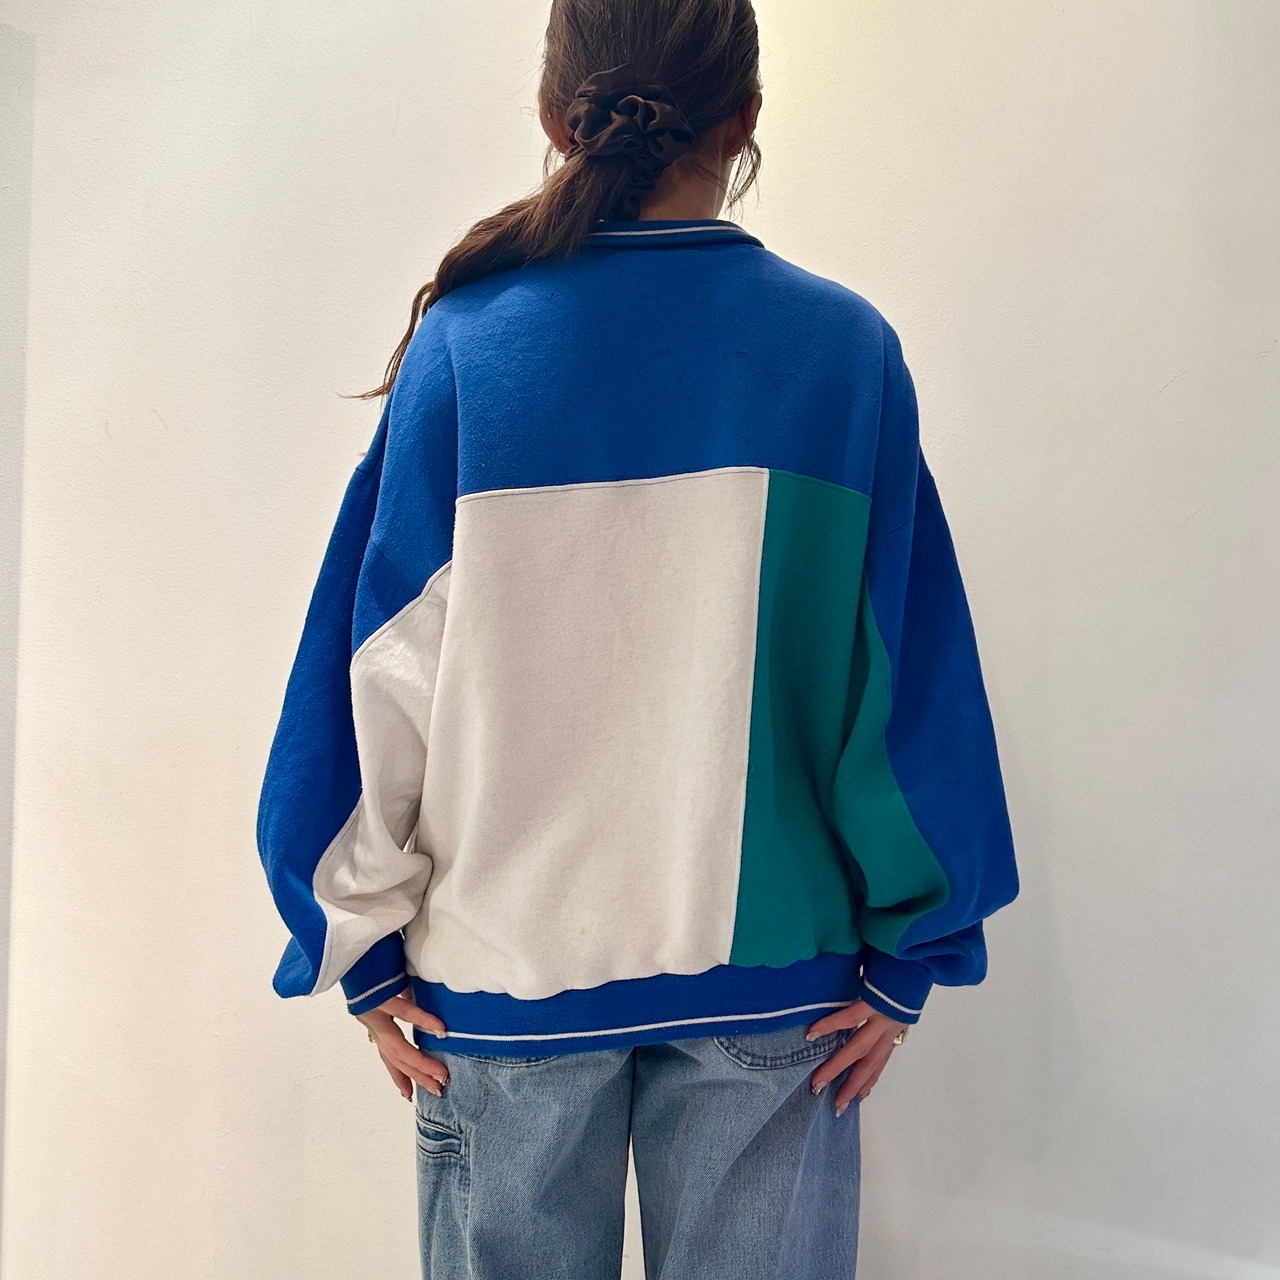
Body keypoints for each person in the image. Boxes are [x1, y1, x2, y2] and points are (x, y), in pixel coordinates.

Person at [255, 1, 1020, 1275]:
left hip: (501, 978)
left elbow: (372, 671)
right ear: (746, 117)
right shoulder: (842, 354)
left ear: (554, 118)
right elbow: (904, 678)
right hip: (773, 980)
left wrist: (358, 941)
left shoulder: (466, 352)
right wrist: (911, 947)